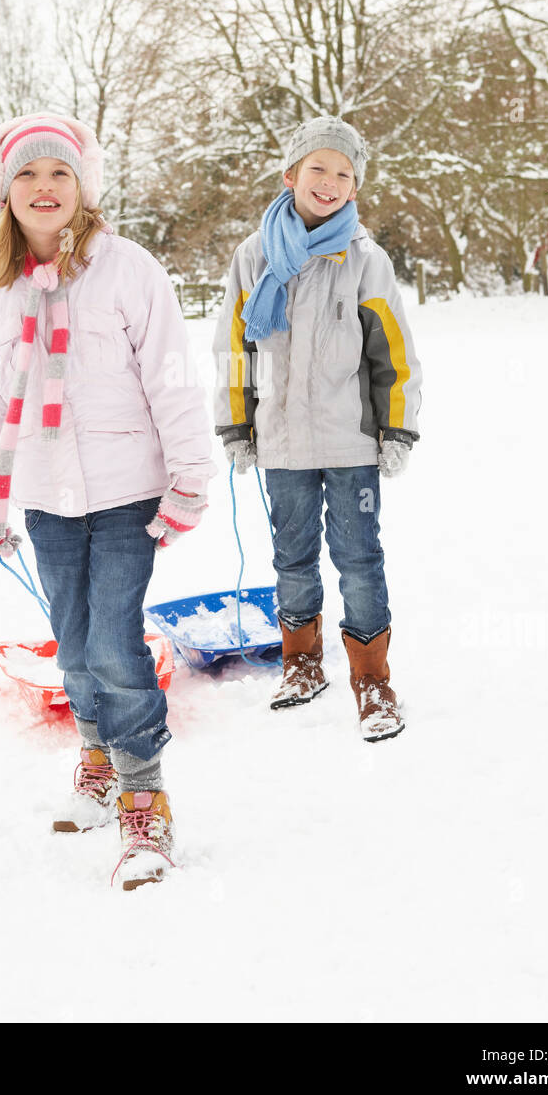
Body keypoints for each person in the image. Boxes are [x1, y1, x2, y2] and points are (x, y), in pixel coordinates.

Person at [0, 112, 215, 888]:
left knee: (113, 642)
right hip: (44, 498)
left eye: (59, 173)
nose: (44, 188)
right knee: (73, 649)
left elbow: (171, 374)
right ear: (5, 194)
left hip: (128, 492)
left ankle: (147, 801)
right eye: (28, 175)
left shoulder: (129, 270)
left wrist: (190, 475)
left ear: (83, 187)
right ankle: (97, 755)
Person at [212, 116, 422, 739]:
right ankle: (301, 664)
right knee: (291, 559)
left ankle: (372, 680)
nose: (329, 182)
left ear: (355, 188)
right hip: (280, 441)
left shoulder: (364, 260)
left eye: (343, 174)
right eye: (318, 169)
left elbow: (394, 352)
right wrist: (235, 425)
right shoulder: (252, 258)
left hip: (352, 440)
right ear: (290, 175)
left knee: (359, 559)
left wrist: (397, 430)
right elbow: (233, 348)